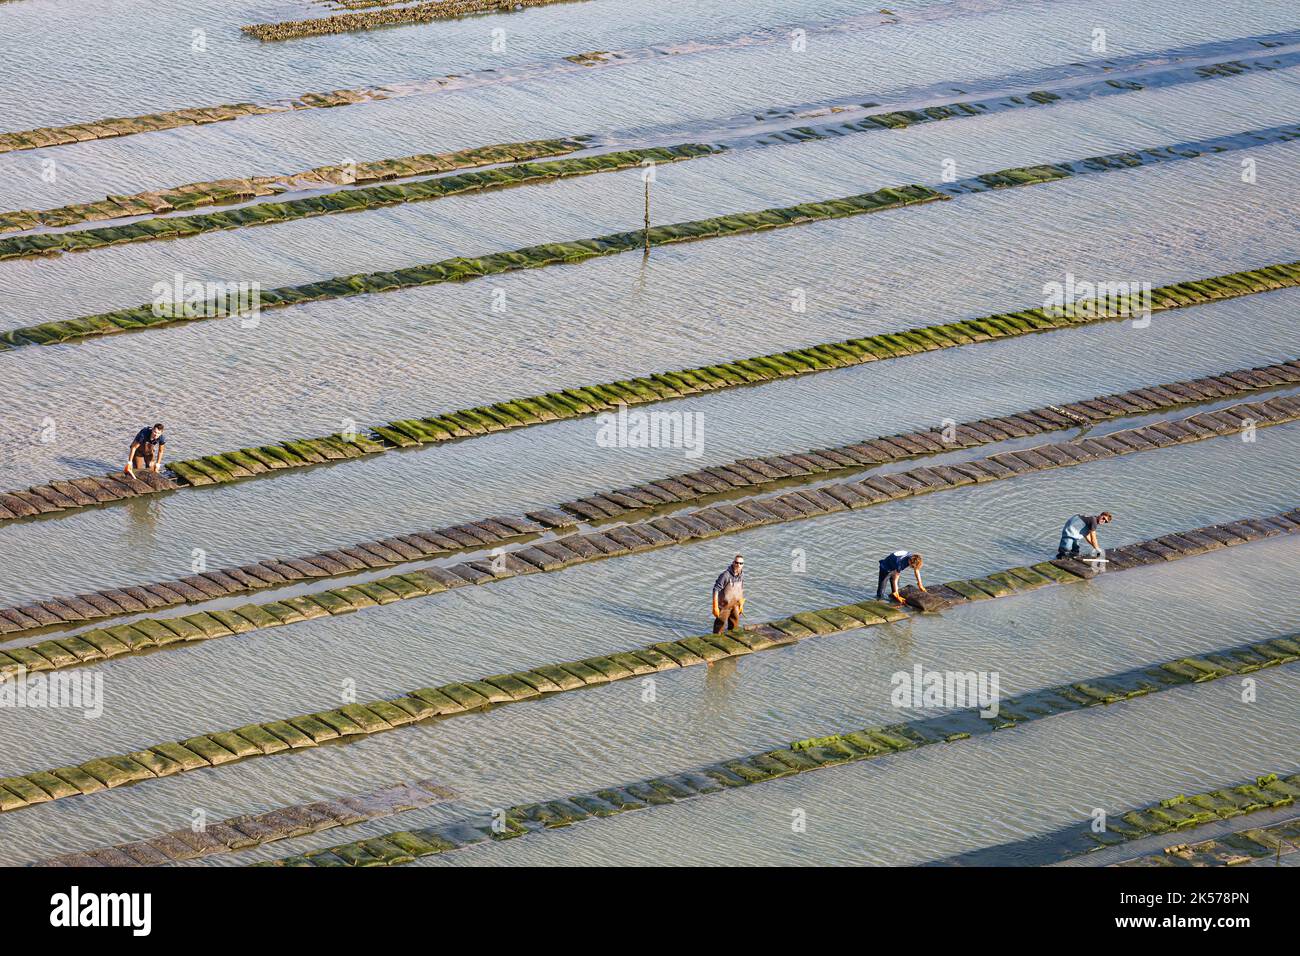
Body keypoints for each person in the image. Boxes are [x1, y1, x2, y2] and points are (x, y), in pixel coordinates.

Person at [711, 554, 745, 633]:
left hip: (735, 605)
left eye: (740, 563)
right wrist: (715, 607)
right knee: (718, 629)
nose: (738, 565)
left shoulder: (742, 575)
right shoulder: (725, 575)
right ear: (733, 562)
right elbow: (715, 589)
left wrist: (741, 603)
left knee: (734, 628)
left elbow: (741, 589)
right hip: (724, 606)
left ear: (743, 565)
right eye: (736, 562)